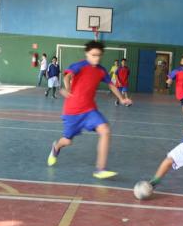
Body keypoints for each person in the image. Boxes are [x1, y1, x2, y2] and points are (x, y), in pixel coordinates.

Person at [47, 41, 132, 179]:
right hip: (72, 111)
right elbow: (67, 76)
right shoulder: (79, 65)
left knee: (105, 130)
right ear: (87, 54)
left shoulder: (101, 70)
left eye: (99, 55)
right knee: (67, 141)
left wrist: (122, 99)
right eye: (93, 55)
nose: (96, 58)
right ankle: (56, 147)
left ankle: (100, 169)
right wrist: (67, 88)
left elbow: (111, 85)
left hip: (89, 110)